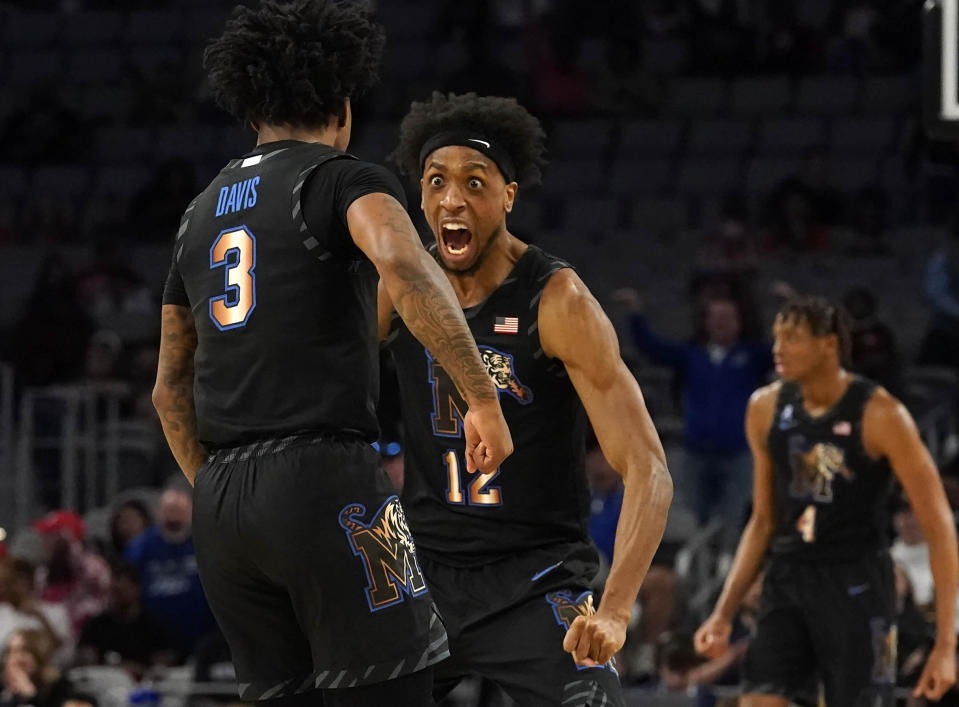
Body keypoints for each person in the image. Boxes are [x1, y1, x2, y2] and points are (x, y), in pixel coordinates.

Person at [151, 2, 511, 705]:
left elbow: (170, 390)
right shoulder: (342, 178)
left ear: (251, 107)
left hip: (221, 503)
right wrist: (483, 397)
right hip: (323, 478)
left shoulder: (197, 214)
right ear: (342, 105)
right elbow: (406, 270)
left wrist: (227, 497)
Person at [384, 92, 672, 705]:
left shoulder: (557, 300)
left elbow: (647, 467)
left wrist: (617, 611)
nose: (451, 199)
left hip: (536, 581)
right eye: (435, 182)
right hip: (424, 575)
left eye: (473, 182)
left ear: (509, 195)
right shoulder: (401, 287)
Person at [694, 296, 958, 705]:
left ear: (829, 344)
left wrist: (944, 644)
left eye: (794, 338)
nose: (778, 348)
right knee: (759, 701)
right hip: (788, 577)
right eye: (777, 337)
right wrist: (723, 611)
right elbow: (763, 520)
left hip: (856, 582)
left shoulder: (881, 415)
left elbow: (940, 528)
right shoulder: (764, 407)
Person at [615, 289, 772, 554]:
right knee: (696, 517)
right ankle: (699, 573)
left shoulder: (752, 357)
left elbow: (789, 347)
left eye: (728, 317)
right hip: (697, 452)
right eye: (716, 317)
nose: (721, 323)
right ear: (707, 322)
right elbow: (652, 347)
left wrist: (792, 307)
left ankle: (727, 570)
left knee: (734, 516)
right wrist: (635, 314)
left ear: (739, 322)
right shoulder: (691, 355)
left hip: (739, 453)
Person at [122, 486, 213, 659]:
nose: (173, 518)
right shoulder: (140, 547)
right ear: (158, 513)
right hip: (153, 640)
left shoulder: (207, 542)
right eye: (169, 511)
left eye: (179, 511)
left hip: (201, 634)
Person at [0, 629, 73, 707]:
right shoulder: (2, 687)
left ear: (38, 654)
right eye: (9, 651)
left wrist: (30, 695)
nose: (15, 658)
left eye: (23, 651)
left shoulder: (58, 686)